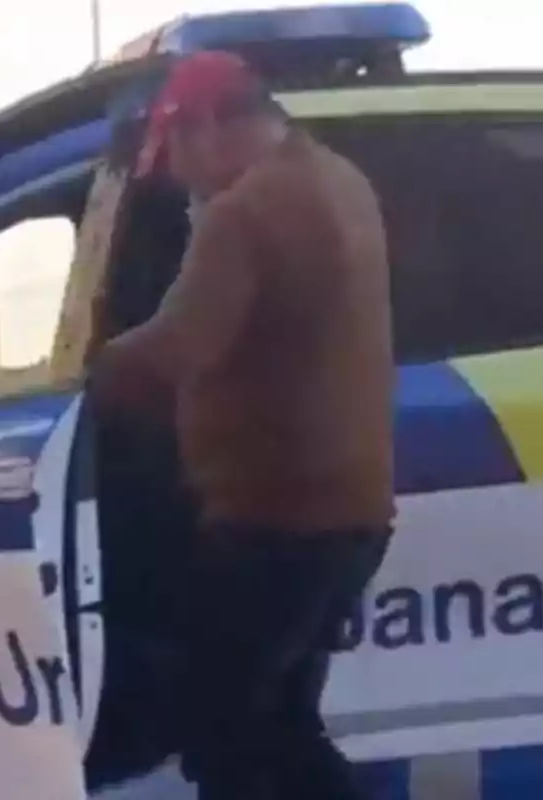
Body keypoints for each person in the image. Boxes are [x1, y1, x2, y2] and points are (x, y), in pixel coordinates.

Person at [89, 51, 396, 799]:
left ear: (205, 125)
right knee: (281, 726)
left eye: (181, 156)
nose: (187, 179)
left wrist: (84, 380)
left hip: (273, 520)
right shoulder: (339, 179)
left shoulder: (245, 212)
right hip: (350, 514)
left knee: (223, 736)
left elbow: (177, 346)